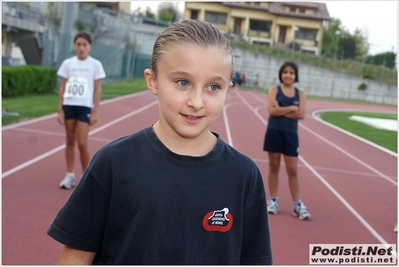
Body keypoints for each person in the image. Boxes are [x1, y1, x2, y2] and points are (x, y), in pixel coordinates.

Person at [47, 20, 273, 265]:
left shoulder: (243, 175)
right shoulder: (113, 163)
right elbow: (76, 258)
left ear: (228, 89)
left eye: (213, 87)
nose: (197, 102)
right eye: (183, 82)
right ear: (153, 80)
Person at [57, 32, 106, 189]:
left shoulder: (95, 65)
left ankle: (87, 177)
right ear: (74, 46)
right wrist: (60, 110)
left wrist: (95, 111)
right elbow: (62, 87)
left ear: (90, 46)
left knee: (82, 143)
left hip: (84, 106)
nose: (81, 48)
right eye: (78, 44)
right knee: (69, 139)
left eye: (84, 44)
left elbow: (98, 90)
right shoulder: (68, 63)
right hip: (69, 104)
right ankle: (70, 175)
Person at [263, 61, 310, 220]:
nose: (288, 75)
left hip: (291, 134)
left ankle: (297, 204)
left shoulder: (300, 94)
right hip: (274, 132)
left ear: (295, 76)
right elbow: (271, 111)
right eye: (285, 72)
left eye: (291, 72)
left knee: (292, 170)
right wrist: (291, 108)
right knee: (274, 166)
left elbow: (301, 115)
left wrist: (280, 110)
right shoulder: (274, 90)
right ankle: (273, 201)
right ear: (281, 74)